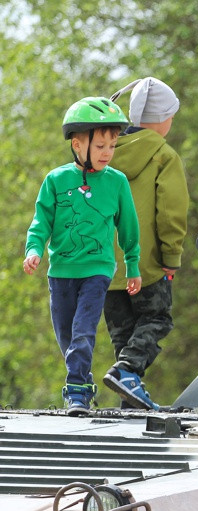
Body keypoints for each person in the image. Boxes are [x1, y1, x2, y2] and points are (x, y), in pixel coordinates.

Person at [23, 97, 141, 416]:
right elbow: (40, 222)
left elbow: (129, 228)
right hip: (60, 270)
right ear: (78, 144)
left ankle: (75, 389)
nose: (107, 153)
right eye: (100, 145)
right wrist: (33, 250)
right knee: (65, 333)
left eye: (112, 146)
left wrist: (132, 265)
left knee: (82, 330)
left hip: (97, 269)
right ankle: (83, 382)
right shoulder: (56, 181)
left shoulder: (116, 183)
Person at [101, 77, 189, 411]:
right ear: (161, 119)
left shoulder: (101, 152)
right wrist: (172, 257)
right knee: (156, 320)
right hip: (147, 265)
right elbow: (170, 212)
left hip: (105, 266)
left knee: (124, 335)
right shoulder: (164, 156)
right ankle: (127, 372)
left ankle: (130, 397)